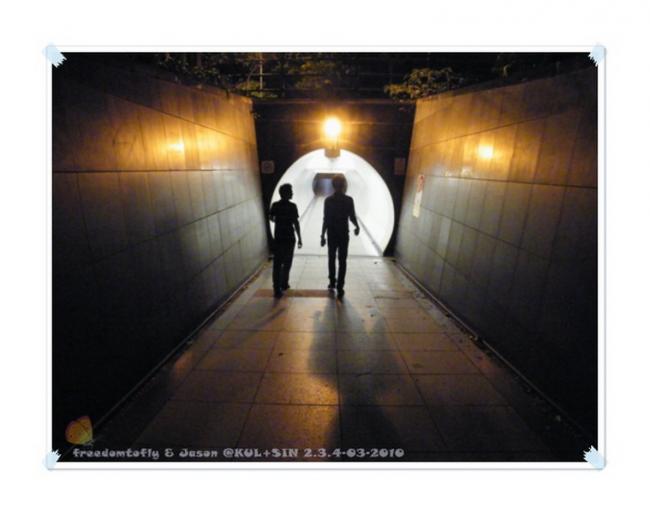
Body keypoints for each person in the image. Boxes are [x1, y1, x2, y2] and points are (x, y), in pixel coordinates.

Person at [320, 174, 360, 298]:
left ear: (333, 185)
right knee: (342, 260)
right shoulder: (349, 200)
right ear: (344, 185)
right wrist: (357, 226)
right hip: (343, 233)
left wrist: (322, 235)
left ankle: (332, 281)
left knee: (331, 258)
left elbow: (326, 219)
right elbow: (352, 216)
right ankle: (340, 286)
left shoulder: (328, 200)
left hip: (332, 233)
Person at [269, 184, 302, 298]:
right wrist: (300, 238)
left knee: (277, 263)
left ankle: (276, 288)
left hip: (279, 237)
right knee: (287, 262)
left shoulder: (275, 205)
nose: (292, 193)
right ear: (286, 193)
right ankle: (284, 283)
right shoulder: (292, 206)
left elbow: (271, 218)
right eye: (290, 191)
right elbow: (296, 223)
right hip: (289, 238)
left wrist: (278, 221)